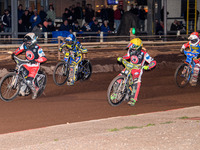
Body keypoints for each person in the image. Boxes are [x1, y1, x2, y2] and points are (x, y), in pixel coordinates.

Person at [117, 38, 156, 106]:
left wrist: (148, 66)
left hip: (137, 69)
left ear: (137, 46)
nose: (131, 48)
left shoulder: (144, 54)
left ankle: (133, 99)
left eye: (132, 46)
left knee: (136, 81)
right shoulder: (130, 50)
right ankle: (115, 93)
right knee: (119, 78)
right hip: (129, 67)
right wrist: (122, 58)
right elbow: (127, 56)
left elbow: (153, 62)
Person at [12, 33, 47, 99]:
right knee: (21, 74)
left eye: (28, 41)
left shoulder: (38, 48)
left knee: (28, 81)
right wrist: (14, 53)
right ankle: (22, 89)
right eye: (26, 41)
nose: (27, 43)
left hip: (34, 66)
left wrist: (36, 60)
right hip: (26, 64)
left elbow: (44, 58)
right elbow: (19, 49)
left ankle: (35, 90)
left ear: (33, 40)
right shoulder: (25, 45)